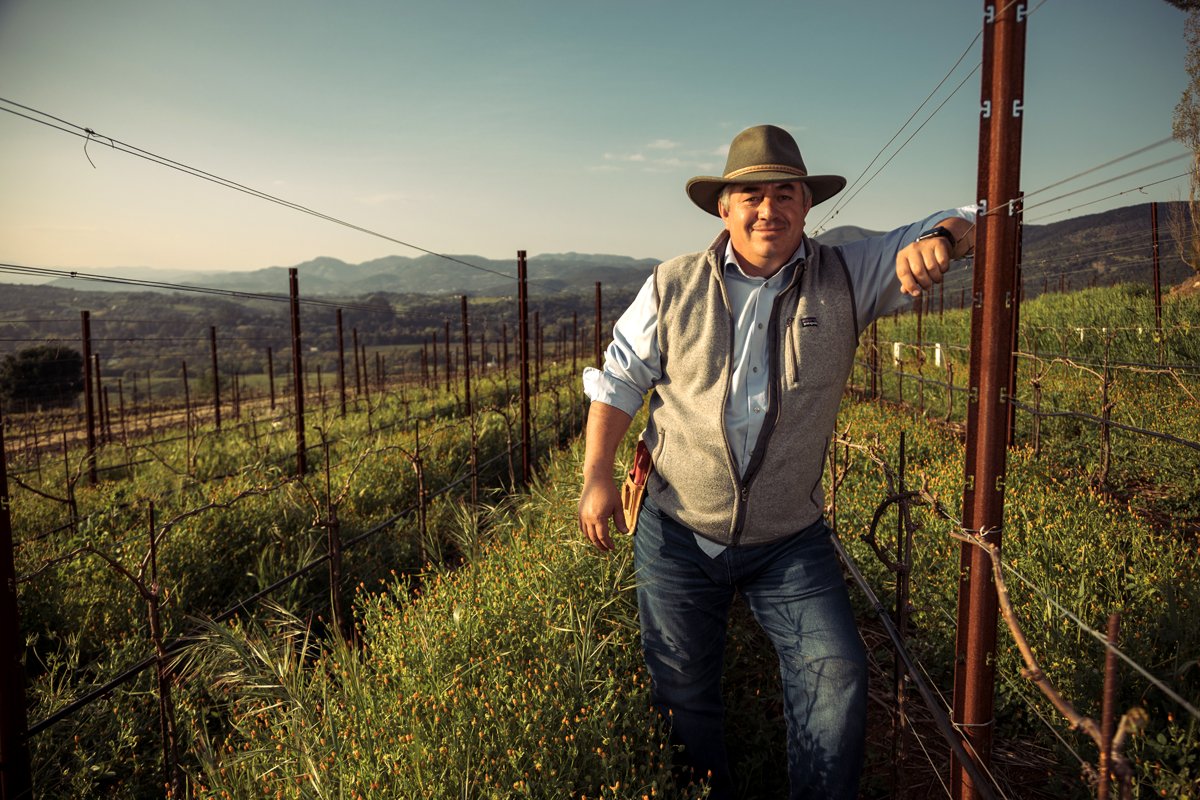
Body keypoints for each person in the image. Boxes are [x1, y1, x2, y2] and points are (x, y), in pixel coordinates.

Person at [577, 124, 976, 799]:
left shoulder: (848, 274)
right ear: (724, 209)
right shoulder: (673, 285)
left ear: (806, 205)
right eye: (751, 195)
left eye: (784, 193)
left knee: (838, 670)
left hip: (789, 538)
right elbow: (619, 380)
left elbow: (977, 219)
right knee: (682, 696)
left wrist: (942, 240)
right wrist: (595, 477)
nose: (769, 209)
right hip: (676, 530)